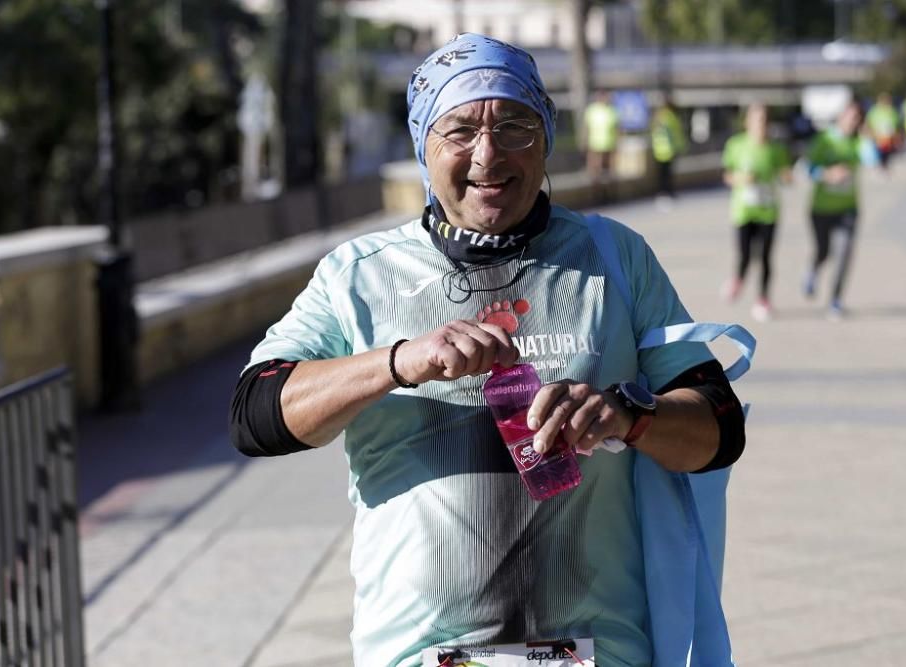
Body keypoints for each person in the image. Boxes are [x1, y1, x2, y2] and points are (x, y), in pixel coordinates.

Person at [230, 33, 745, 666]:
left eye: (515, 127)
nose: (488, 154)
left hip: (597, 651)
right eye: (460, 130)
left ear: (548, 137)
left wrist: (627, 413)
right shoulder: (360, 275)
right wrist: (398, 361)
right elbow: (256, 413)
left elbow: (720, 425)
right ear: (424, 144)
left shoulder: (613, 258)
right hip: (418, 652)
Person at [720, 104, 793, 322]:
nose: (761, 124)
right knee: (744, 254)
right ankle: (738, 279)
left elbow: (786, 176)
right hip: (743, 210)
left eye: (764, 119)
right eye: (756, 119)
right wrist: (741, 179)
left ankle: (763, 299)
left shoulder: (776, 149)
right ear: (748, 122)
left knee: (765, 257)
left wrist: (788, 176)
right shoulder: (736, 145)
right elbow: (727, 175)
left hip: (768, 210)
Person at [803, 100, 872, 320]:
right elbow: (807, 168)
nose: (853, 123)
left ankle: (835, 300)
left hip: (848, 209)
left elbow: (873, 159)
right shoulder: (824, 140)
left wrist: (868, 138)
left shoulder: (858, 142)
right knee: (824, 251)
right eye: (851, 117)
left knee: (844, 253)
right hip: (821, 208)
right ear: (841, 117)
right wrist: (828, 174)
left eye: (857, 119)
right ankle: (813, 270)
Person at [648, 94, 686, 207]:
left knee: (666, 174)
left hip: (665, 149)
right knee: (664, 174)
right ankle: (664, 193)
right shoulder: (667, 116)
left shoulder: (666, 116)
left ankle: (667, 192)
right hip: (664, 149)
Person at [584, 90, 621, 199]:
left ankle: (610, 194)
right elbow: (587, 128)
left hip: (609, 145)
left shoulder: (612, 111)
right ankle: (596, 195)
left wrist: (617, 144)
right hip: (595, 145)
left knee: (610, 172)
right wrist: (585, 144)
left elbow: (617, 129)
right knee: (595, 173)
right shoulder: (591, 110)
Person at [865, 92, 902, 172]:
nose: (886, 102)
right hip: (878, 136)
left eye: (887, 100)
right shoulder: (874, 111)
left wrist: (897, 135)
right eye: (884, 100)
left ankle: (885, 165)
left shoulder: (892, 111)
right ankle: (882, 165)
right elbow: (868, 122)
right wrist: (870, 133)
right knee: (881, 152)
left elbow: (897, 123)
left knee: (888, 152)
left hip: (890, 136)